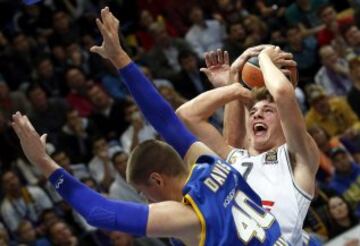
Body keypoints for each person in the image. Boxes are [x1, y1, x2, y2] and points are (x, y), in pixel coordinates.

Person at [11, 7, 288, 246]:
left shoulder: (188, 217)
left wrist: (42, 161)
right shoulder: (210, 163)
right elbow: (165, 120)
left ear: (157, 179)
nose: (147, 200)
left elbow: (98, 212)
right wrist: (120, 57)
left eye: (145, 193)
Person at [175, 46, 320, 245]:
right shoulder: (236, 157)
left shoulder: (297, 156)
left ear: (284, 122)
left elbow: (282, 93)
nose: (257, 114)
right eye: (252, 112)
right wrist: (232, 85)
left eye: (268, 110)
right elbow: (186, 116)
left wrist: (263, 58)